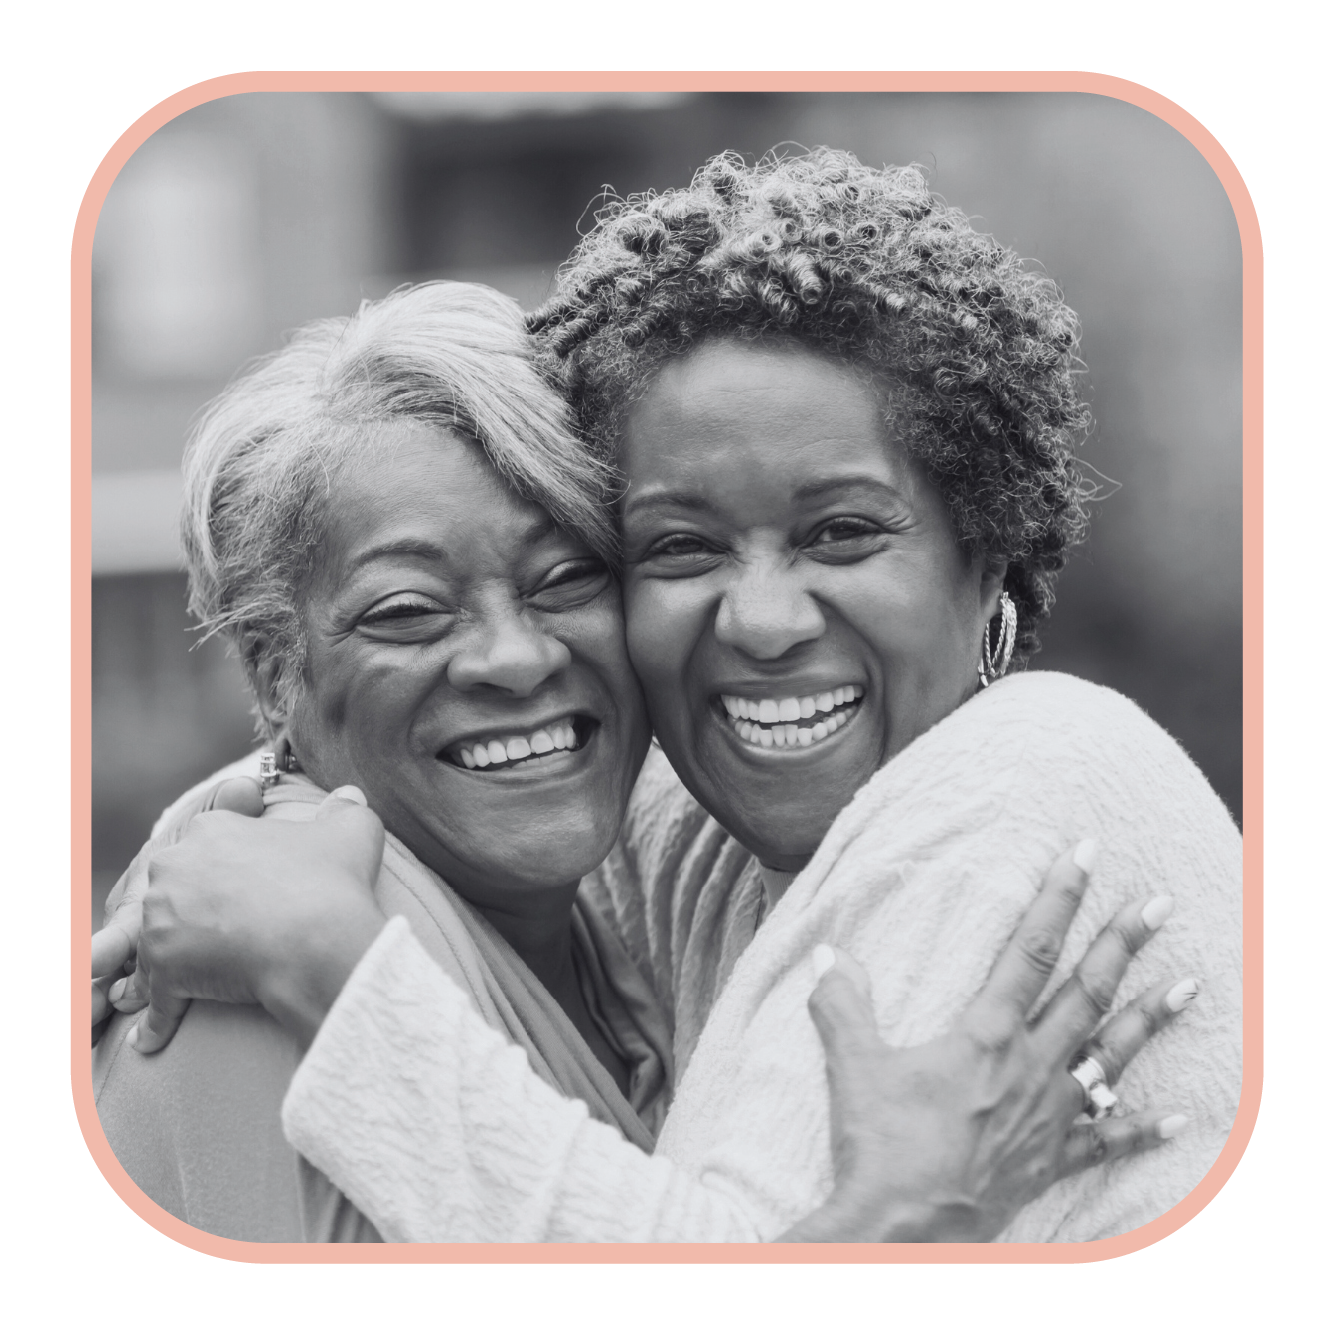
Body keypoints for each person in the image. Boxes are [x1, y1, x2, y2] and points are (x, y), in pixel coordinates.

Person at [96, 151, 1239, 1243]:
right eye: (679, 545)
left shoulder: (1029, 776)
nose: (760, 619)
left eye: (840, 531)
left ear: (984, 555)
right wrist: (208, 837)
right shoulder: (703, 828)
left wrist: (329, 963)